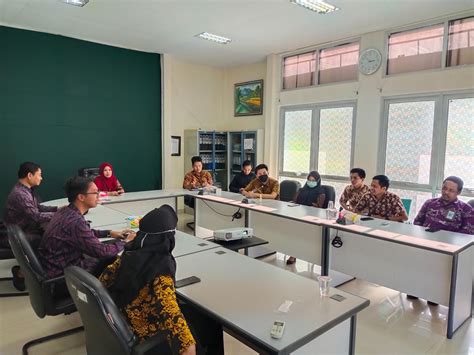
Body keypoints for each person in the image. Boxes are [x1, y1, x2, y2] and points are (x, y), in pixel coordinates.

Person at [100, 205, 224, 355]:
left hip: (123, 320)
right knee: (210, 321)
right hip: (145, 328)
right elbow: (168, 309)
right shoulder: (161, 267)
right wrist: (187, 346)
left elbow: (103, 280)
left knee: (203, 315)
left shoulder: (130, 252)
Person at [38, 176, 136, 279]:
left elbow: (84, 232)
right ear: (81, 197)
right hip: (64, 277)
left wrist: (110, 233)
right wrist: (126, 242)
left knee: (111, 244)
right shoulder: (75, 222)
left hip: (56, 267)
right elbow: (102, 252)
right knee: (116, 257)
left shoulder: (65, 211)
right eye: (95, 193)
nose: (98, 196)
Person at [4, 162, 58, 291]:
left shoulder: (26, 189)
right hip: (19, 234)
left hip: (26, 229)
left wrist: (57, 209)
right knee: (49, 241)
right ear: (29, 175)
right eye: (39, 175)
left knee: (51, 235)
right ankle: (22, 274)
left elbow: (38, 207)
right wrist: (58, 215)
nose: (41, 178)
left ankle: (46, 274)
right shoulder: (20, 194)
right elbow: (36, 216)